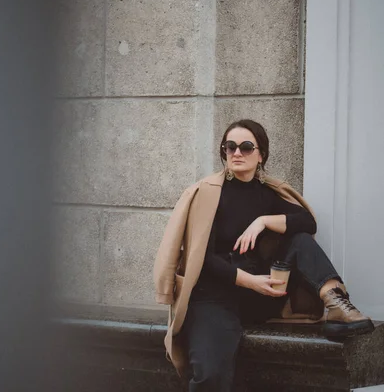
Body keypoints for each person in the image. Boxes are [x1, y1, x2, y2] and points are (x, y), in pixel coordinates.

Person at [153, 119, 374, 392]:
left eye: (246, 147)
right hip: (214, 299)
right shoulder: (210, 194)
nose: (236, 153)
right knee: (211, 375)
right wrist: (250, 281)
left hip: (258, 296)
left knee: (300, 240)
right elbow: (204, 260)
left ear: (261, 155)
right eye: (229, 147)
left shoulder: (268, 194)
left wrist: (264, 220)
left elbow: (307, 222)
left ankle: (336, 302)